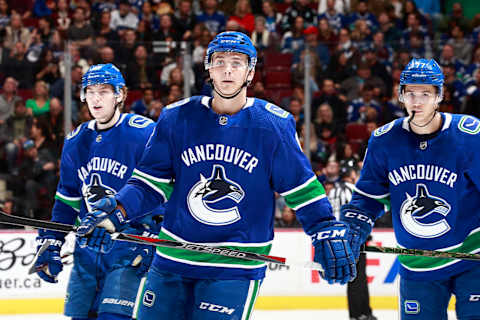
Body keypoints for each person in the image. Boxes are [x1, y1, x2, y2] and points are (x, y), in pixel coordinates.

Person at [77, 32, 356, 319]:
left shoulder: (272, 125)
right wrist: (115, 213)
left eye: (237, 62)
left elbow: (301, 190)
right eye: (219, 61)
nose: (227, 69)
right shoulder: (176, 118)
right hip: (172, 259)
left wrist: (324, 227)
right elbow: (149, 184)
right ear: (208, 68)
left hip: (233, 268)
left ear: (250, 71)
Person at [340, 58, 480, 320]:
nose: (417, 102)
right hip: (417, 264)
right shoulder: (384, 140)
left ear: (439, 95)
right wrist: (351, 231)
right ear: (401, 96)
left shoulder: (469, 135)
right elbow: (368, 198)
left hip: (472, 256)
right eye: (411, 93)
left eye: (426, 94)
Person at [33, 63, 162, 320]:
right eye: (90, 91)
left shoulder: (144, 133)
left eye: (103, 91)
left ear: (120, 94)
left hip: (128, 246)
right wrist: (52, 241)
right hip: (88, 248)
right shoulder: (75, 140)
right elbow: (67, 201)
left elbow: (162, 189)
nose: (95, 98)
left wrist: (152, 236)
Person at [328, 165, 376, 320]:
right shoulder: (353, 190)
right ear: (352, 174)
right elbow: (359, 213)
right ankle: (360, 314)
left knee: (354, 277)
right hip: (354, 238)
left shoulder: (333, 191)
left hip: (337, 237)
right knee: (358, 277)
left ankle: (362, 312)